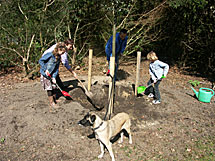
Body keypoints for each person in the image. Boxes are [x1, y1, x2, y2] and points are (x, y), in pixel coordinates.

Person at [39, 42, 66, 108]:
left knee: (54, 86)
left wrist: (54, 77)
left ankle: (55, 99)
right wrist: (45, 69)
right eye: (62, 52)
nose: (63, 54)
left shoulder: (59, 58)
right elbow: (41, 60)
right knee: (49, 88)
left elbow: (56, 68)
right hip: (45, 75)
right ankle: (52, 102)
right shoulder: (50, 55)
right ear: (58, 49)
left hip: (52, 74)